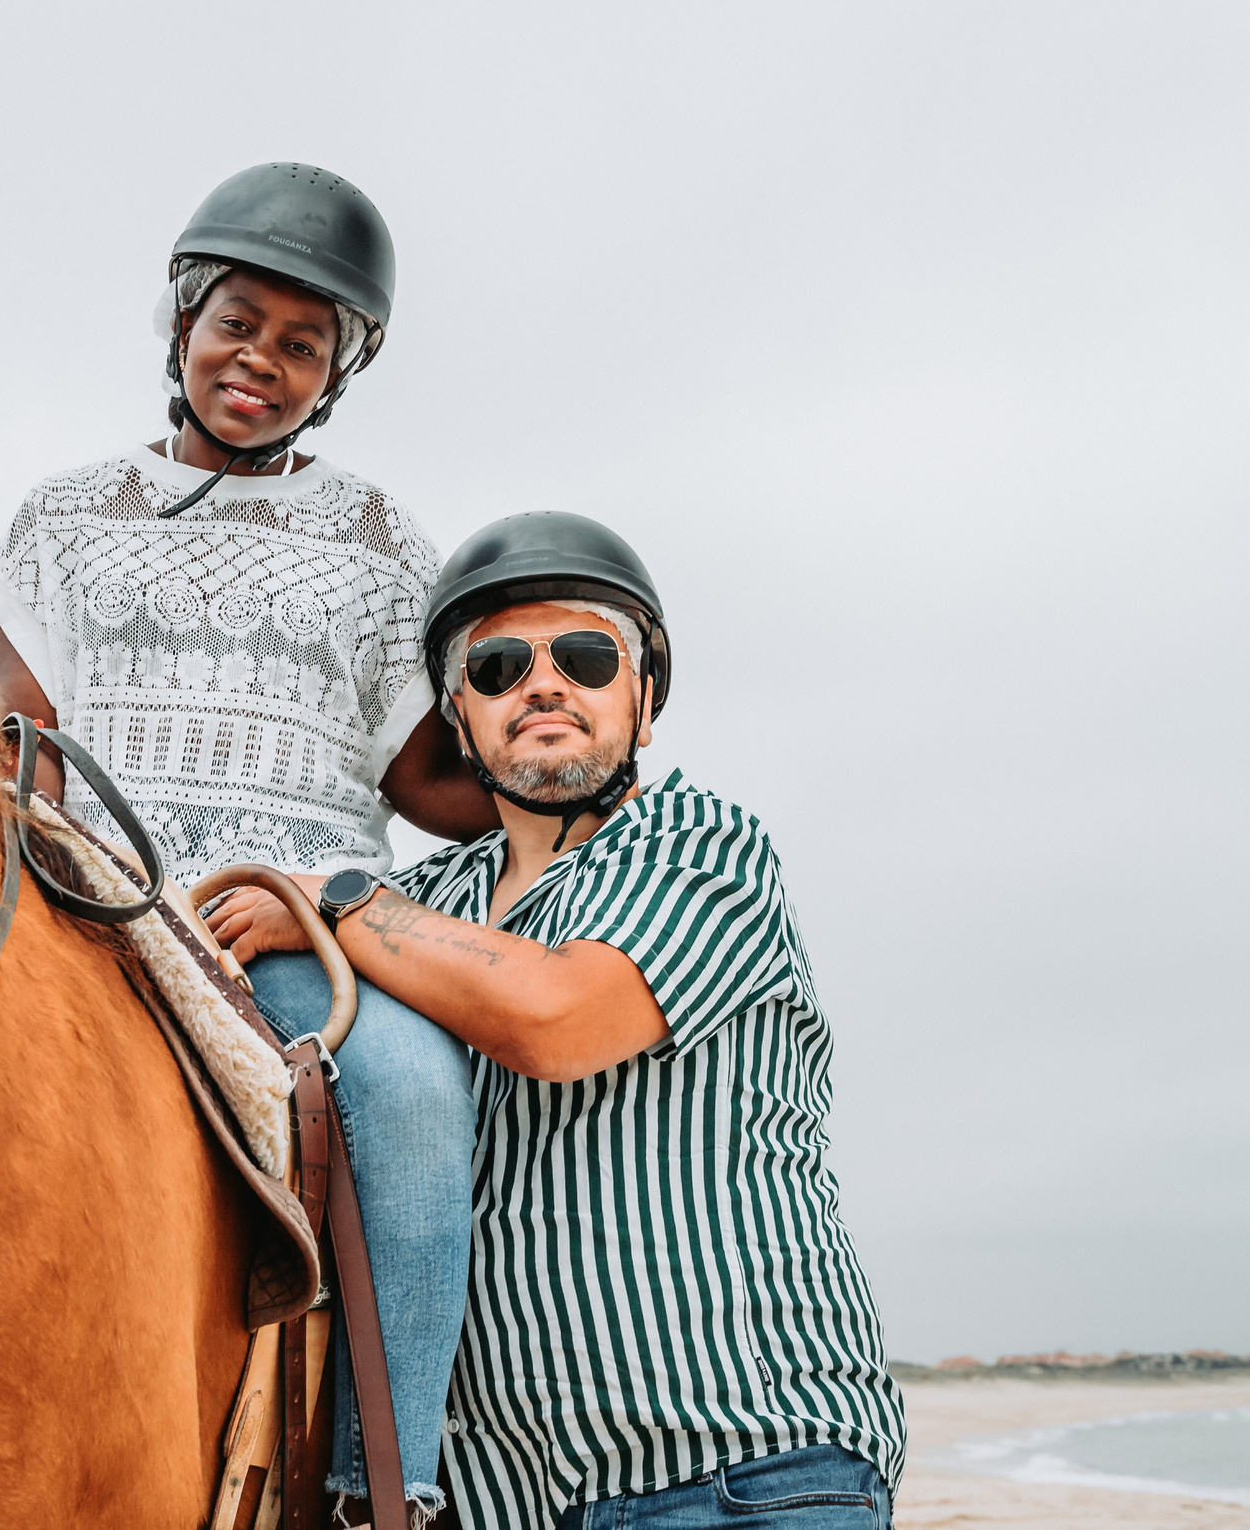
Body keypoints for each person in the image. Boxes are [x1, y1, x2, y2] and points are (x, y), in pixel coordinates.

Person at [213, 513, 908, 1529]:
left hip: (745, 1473)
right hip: (511, 1507)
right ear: (459, 720)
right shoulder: (423, 902)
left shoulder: (703, 845)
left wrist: (335, 901)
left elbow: (555, 1016)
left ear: (644, 700)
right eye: (496, 667)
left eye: (584, 656)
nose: (541, 684)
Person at [0, 162, 496, 1524]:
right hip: (92, 898)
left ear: (337, 373)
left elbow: (425, 777)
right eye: (237, 323)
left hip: (297, 917)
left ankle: (385, 1489)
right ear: (183, 326)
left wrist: (552, 761)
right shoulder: (59, 517)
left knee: (409, 1089)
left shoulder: (386, 540)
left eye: (300, 343)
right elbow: (13, 742)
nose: (259, 359)